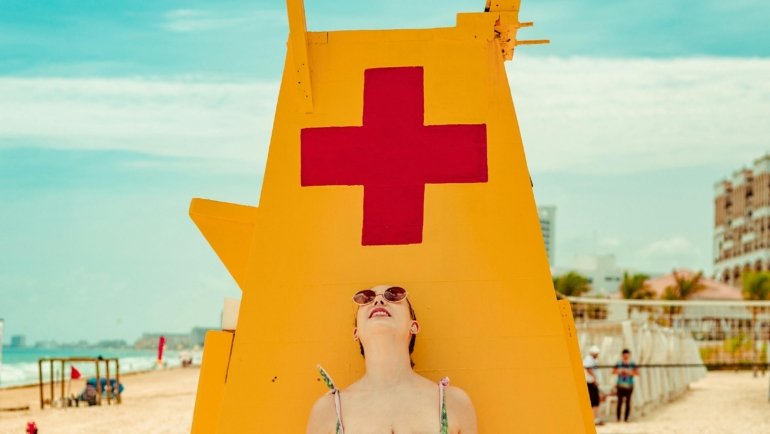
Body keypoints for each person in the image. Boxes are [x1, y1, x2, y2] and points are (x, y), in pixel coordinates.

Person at [306, 285, 477, 434]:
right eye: (366, 298)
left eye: (393, 295)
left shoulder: (454, 402)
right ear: (356, 332)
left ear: (414, 326)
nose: (378, 301)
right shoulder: (329, 410)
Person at [612, 348, 639, 422]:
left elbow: (637, 373)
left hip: (629, 385)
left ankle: (626, 419)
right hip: (620, 385)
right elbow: (613, 371)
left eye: (627, 355)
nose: (626, 356)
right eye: (624, 355)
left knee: (628, 402)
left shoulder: (632, 363)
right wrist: (620, 371)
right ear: (622, 355)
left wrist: (629, 372)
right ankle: (618, 418)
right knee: (619, 402)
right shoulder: (619, 363)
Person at [583, 345, 603, 426]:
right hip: (590, 383)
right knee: (593, 402)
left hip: (594, 383)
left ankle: (594, 419)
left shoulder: (594, 360)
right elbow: (589, 369)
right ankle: (591, 419)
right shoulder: (588, 359)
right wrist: (595, 379)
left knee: (596, 402)